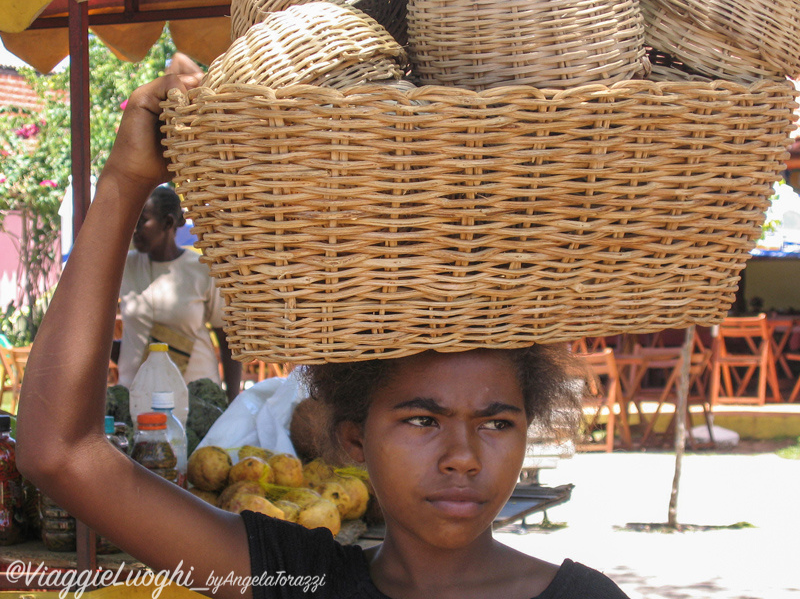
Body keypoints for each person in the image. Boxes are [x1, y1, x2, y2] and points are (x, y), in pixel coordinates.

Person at [16, 74, 629, 599]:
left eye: (498, 423)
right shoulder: (299, 580)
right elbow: (59, 454)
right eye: (422, 420)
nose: (463, 456)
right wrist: (125, 180)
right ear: (353, 440)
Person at [117, 184, 241, 402]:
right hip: (137, 400)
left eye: (142, 222)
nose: (134, 229)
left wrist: (232, 402)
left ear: (168, 223)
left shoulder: (202, 269)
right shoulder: (123, 269)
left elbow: (228, 338)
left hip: (196, 400)